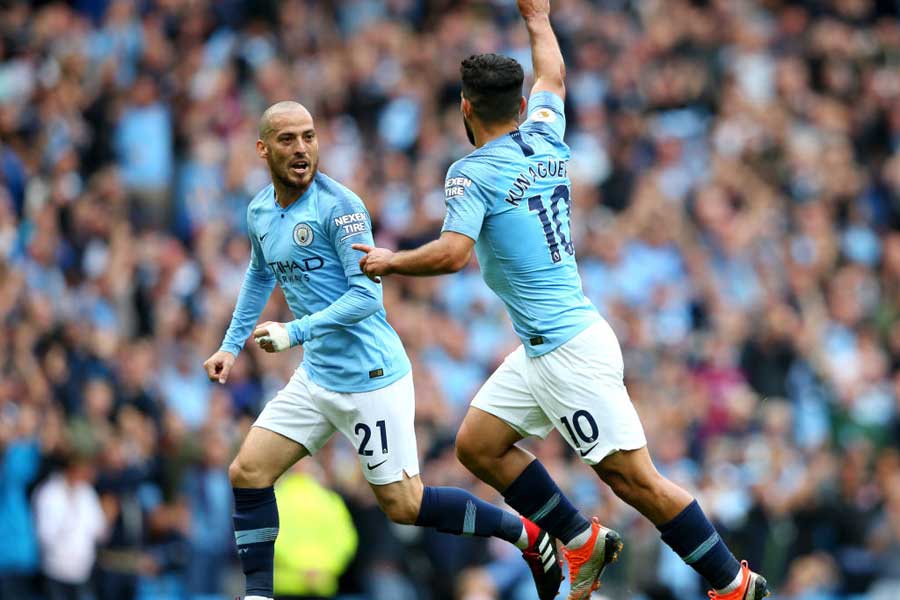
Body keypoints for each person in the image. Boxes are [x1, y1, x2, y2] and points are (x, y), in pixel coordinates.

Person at [354, 1, 771, 599]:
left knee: (636, 481)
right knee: (478, 445)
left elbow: (452, 254)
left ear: (465, 107)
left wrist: (389, 261)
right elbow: (553, 73)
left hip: (568, 353)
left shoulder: (470, 173)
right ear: (520, 105)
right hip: (546, 346)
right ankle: (580, 538)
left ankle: (733, 582)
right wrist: (538, 20)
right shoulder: (546, 135)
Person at [202, 101, 563, 600]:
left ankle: (526, 533)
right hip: (318, 375)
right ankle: (259, 595)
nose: (302, 148)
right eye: (288, 139)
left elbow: (367, 296)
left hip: (371, 377)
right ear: (263, 149)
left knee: (404, 505)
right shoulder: (260, 210)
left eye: (309, 136)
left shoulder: (340, 207)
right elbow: (259, 273)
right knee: (248, 471)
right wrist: (230, 345)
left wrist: (295, 332)